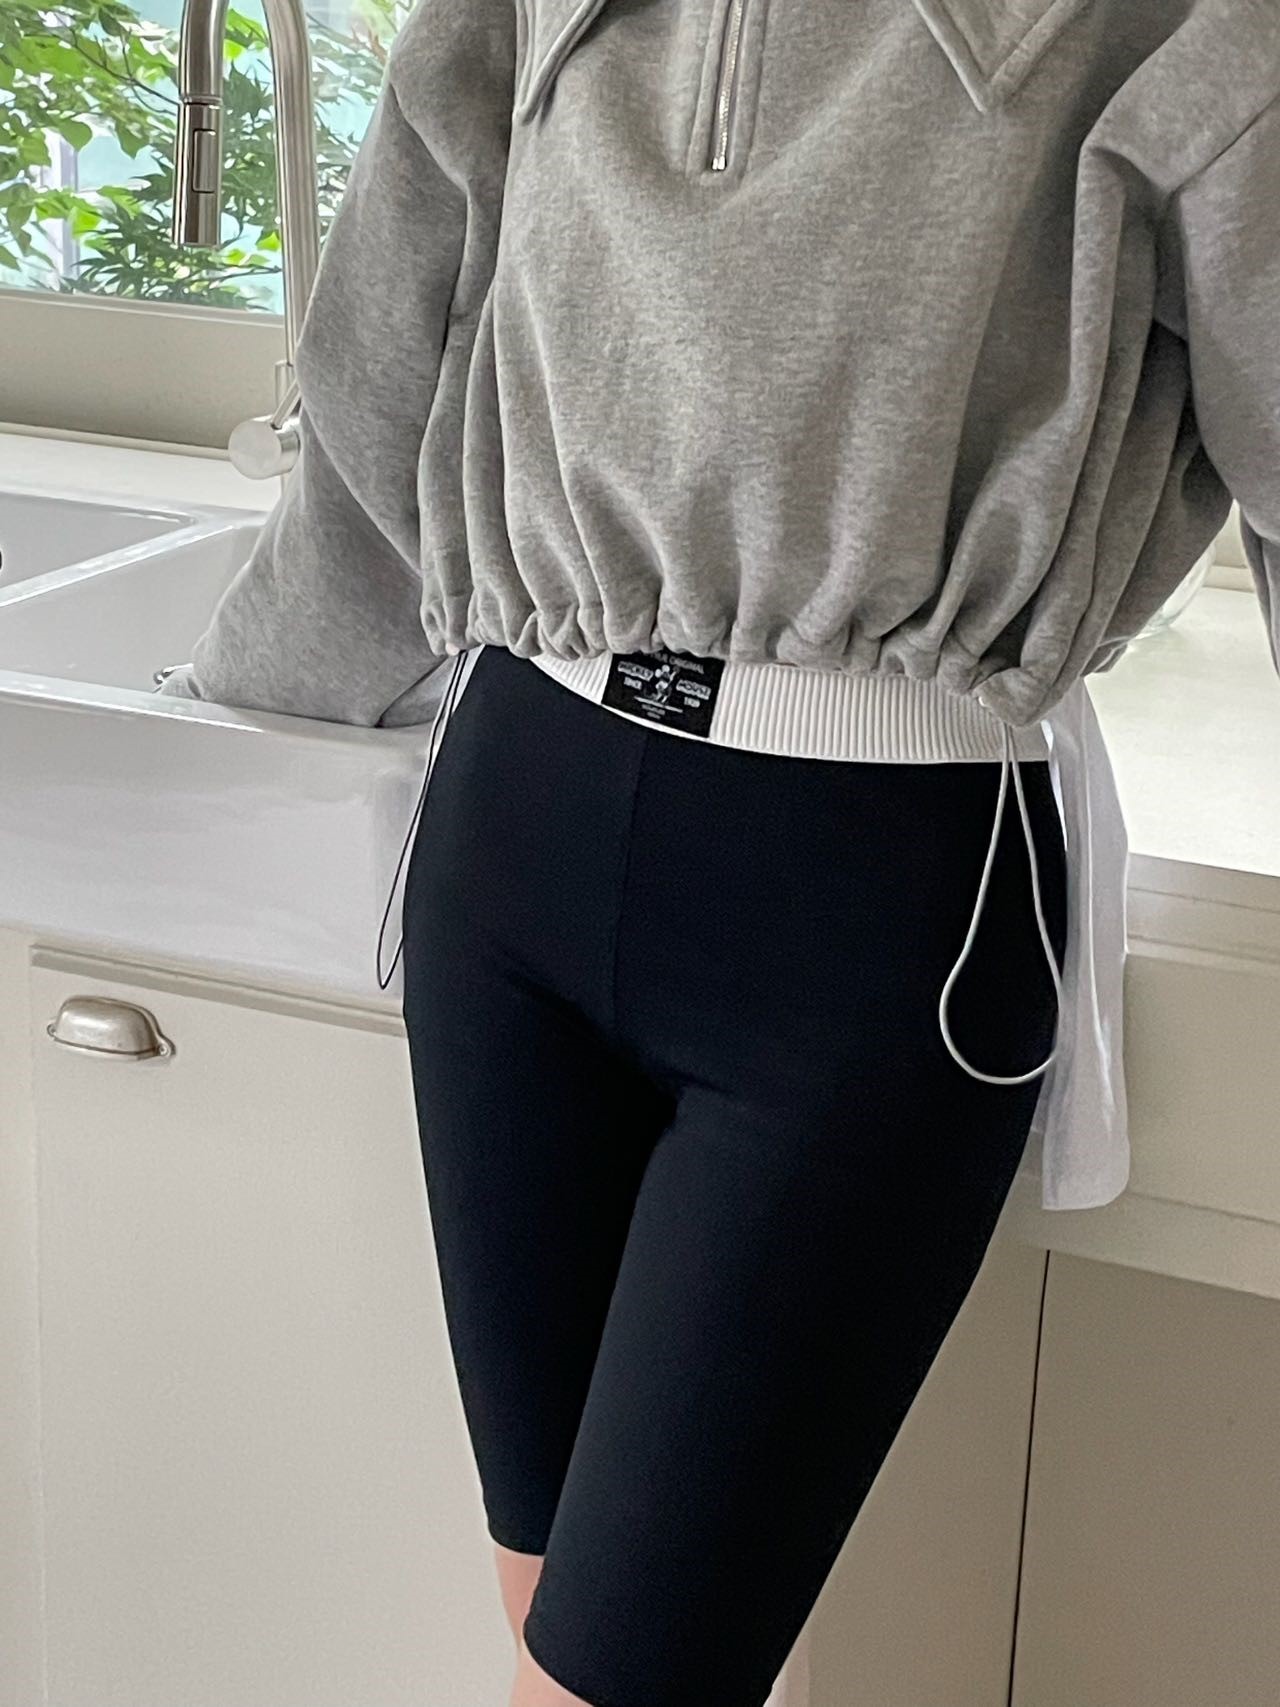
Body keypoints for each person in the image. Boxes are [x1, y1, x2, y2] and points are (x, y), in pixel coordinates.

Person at [156, 1, 1280, 1701]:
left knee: (612, 1676)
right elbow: (391, 352)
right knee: (551, 1612)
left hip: (862, 914)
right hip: (512, 831)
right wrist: (249, 695)